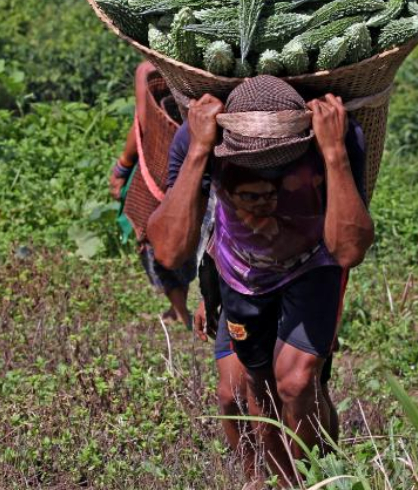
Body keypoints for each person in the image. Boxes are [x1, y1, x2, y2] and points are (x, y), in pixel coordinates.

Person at [148, 76, 373, 486]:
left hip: (312, 266)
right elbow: (167, 251)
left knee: (298, 382)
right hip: (241, 272)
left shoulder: (338, 136)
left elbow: (348, 251)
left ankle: (309, 479)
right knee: (242, 393)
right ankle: (262, 479)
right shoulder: (200, 137)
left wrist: (336, 153)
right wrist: (199, 147)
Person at [111, 60, 197, 328]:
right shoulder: (198, 72)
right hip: (194, 169)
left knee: (156, 240)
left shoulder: (148, 72)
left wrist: (122, 166)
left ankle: (181, 310)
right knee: (187, 236)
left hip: (160, 172)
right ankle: (177, 307)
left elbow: (143, 121)